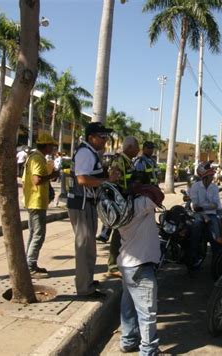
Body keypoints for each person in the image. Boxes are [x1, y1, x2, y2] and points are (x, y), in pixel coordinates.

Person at [67, 122, 119, 298]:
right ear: (91, 138)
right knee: (84, 246)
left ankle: (87, 280)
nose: (105, 140)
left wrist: (106, 177)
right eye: (102, 137)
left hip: (86, 203)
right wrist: (107, 181)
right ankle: (84, 288)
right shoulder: (85, 153)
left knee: (89, 246)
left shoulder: (90, 153)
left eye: (106, 137)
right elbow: (82, 179)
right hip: (81, 204)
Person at [116, 178, 164, 355]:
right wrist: (144, 185)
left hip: (127, 264)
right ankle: (148, 350)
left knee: (128, 307)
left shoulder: (120, 208)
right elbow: (159, 195)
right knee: (147, 313)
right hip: (141, 266)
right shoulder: (141, 203)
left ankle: (128, 340)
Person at [22, 133, 59, 278]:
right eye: (51, 145)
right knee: (38, 235)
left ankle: (29, 263)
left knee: (33, 234)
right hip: (36, 202)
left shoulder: (35, 157)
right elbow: (37, 180)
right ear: (46, 145)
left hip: (35, 201)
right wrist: (52, 175)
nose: (53, 148)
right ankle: (30, 266)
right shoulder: (37, 158)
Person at [103, 136, 140, 278]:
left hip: (127, 201)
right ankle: (112, 266)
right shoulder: (119, 161)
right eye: (137, 147)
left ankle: (122, 262)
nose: (138, 150)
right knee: (118, 234)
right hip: (120, 203)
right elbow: (114, 182)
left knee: (125, 234)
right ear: (130, 147)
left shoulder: (128, 161)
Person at [188, 163, 222, 268]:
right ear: (205, 177)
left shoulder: (214, 188)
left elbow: (216, 205)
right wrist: (208, 206)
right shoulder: (195, 186)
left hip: (211, 215)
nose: (213, 178)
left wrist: (203, 207)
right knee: (196, 226)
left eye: (213, 175)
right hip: (198, 214)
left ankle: (218, 261)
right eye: (211, 176)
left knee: (217, 235)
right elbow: (195, 206)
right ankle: (193, 255)